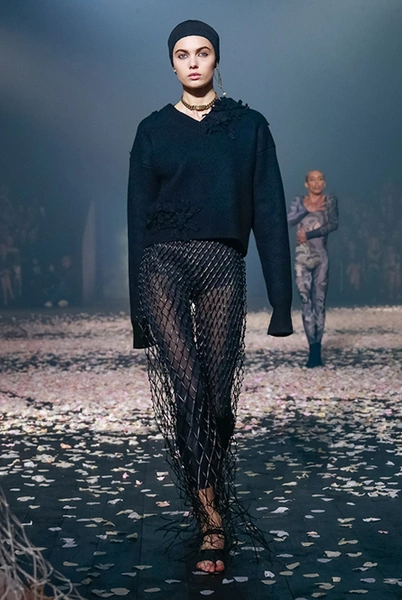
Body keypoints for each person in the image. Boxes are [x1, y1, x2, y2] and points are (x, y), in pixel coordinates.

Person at [127, 20, 293, 573]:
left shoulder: (248, 126)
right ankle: (210, 521)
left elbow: (269, 208)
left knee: (218, 402)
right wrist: (138, 313)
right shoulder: (152, 130)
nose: (193, 61)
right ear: (171, 63)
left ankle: (210, 490)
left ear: (217, 59)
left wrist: (281, 301)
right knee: (191, 393)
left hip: (222, 262)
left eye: (202, 52)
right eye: (182, 54)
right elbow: (136, 218)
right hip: (163, 264)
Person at [287, 171, 339, 367]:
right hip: (302, 258)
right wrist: (306, 210)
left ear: (324, 183)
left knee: (319, 302)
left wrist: (309, 235)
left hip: (320, 257)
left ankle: (317, 349)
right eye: (312, 179)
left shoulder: (329, 200)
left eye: (320, 179)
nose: (317, 182)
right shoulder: (299, 202)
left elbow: (333, 223)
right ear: (306, 184)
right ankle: (312, 349)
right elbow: (288, 221)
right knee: (305, 301)